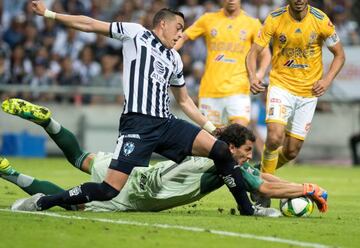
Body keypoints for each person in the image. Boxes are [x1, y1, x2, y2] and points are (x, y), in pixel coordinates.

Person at [9, 1, 256, 216]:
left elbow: (184, 101)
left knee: (222, 151)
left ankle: (248, 210)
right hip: (138, 124)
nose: (181, 35)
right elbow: (90, 24)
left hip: (167, 123)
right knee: (108, 190)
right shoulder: (137, 34)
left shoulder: (174, 59)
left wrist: (212, 128)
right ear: (162, 24)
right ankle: (43, 202)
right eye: (179, 28)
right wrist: (50, 14)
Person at [0, 99, 327, 214]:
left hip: (139, 171)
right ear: (231, 149)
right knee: (68, 200)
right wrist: (307, 189)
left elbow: (259, 176)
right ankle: (9, 172)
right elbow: (262, 187)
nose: (246, 159)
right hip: (137, 195)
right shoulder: (223, 164)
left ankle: (48, 121)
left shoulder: (208, 149)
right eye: (244, 153)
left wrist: (291, 183)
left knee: (79, 157)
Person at [246, 0, 345, 178]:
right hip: (281, 86)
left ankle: (261, 171)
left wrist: (327, 80)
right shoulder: (275, 18)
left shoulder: (321, 20)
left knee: (292, 152)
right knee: (275, 137)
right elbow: (253, 52)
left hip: (309, 92)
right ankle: (264, 191)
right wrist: (253, 76)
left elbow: (340, 55)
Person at [175, 0, 271, 127]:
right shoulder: (208, 19)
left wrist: (260, 73)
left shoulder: (252, 23)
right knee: (214, 141)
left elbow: (265, 53)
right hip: (210, 91)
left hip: (239, 90)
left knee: (239, 136)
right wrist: (166, 52)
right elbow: (184, 36)